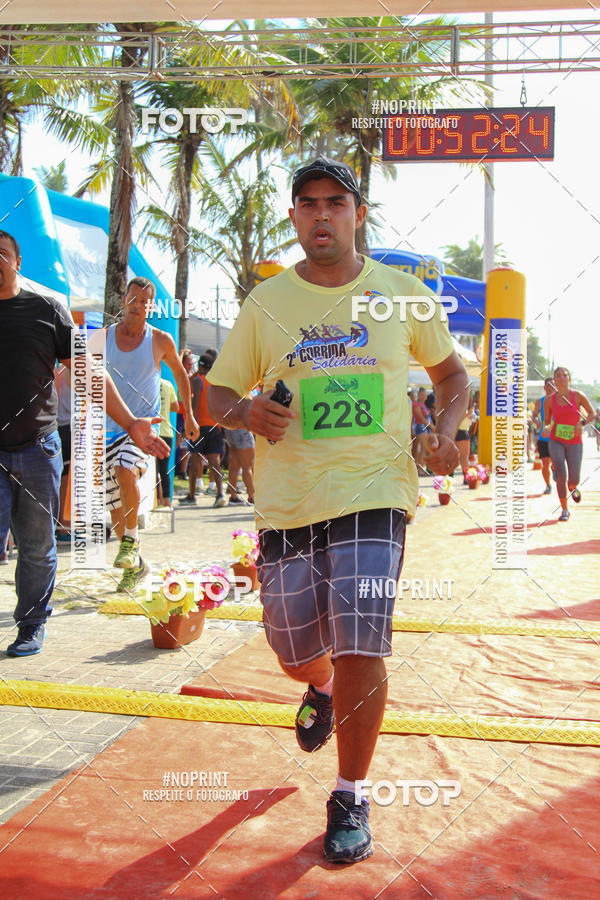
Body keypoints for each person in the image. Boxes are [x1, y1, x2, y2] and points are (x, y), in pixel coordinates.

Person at [206, 156, 469, 864]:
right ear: (295, 217)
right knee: (294, 651)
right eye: (308, 203)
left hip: (375, 492)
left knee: (362, 640)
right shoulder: (266, 304)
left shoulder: (403, 294)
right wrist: (245, 411)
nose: (322, 214)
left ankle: (350, 792)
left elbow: (452, 375)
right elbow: (213, 396)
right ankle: (319, 686)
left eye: (336, 202)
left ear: (358, 215)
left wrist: (444, 433)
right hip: (289, 502)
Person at [0, 231, 169, 656]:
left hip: (37, 449)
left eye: (1, 253)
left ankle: (31, 626)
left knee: (36, 546)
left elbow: (88, 370)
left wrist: (131, 423)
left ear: (17, 262)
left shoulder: (46, 310)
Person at [91, 278, 199, 592]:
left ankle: (132, 542)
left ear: (151, 307)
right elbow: (87, 377)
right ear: (123, 300)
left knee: (124, 470)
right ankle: (135, 565)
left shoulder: (160, 339)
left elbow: (181, 374)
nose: (137, 306)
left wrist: (189, 414)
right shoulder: (103, 338)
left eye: (144, 302)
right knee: (115, 505)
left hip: (143, 431)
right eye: (133, 299)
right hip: (107, 429)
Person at [543, 366, 594, 521]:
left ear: (569, 378)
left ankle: (572, 487)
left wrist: (581, 423)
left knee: (573, 479)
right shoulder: (549, 400)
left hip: (574, 442)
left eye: (564, 375)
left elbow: (592, 413)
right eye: (558, 375)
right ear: (555, 380)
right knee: (561, 475)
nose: (561, 377)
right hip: (556, 440)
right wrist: (547, 427)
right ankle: (564, 509)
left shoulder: (578, 396)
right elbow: (547, 422)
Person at [180, 354, 227, 507]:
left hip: (199, 426)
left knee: (195, 461)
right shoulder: (216, 382)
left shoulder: (198, 380)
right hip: (215, 426)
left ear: (200, 366)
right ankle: (220, 494)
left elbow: (194, 405)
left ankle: (191, 496)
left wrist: (189, 424)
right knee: (215, 462)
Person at [157, 377, 179, 507]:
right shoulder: (168, 384)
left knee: (153, 470)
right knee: (164, 469)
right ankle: (166, 502)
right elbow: (175, 407)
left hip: (152, 431)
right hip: (166, 431)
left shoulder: (147, 380)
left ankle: (156, 501)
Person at [532, 378, 556, 495]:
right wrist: (536, 421)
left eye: (552, 385)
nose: (550, 387)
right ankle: (548, 485)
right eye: (548, 385)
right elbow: (534, 415)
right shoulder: (539, 401)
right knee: (545, 463)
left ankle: (555, 468)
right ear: (544, 387)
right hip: (544, 437)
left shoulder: (560, 401)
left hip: (557, 437)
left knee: (555, 462)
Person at [224, 426, 255, 505]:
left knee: (233, 467)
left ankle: (233, 497)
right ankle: (251, 498)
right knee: (247, 467)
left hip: (229, 429)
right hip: (243, 429)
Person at [412, 387, 431, 474]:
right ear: (419, 395)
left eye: (424, 395)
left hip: (425, 427)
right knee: (424, 448)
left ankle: (419, 468)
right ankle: (420, 469)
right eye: (421, 394)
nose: (423, 396)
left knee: (424, 449)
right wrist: (432, 426)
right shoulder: (416, 404)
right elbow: (420, 417)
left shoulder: (424, 405)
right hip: (420, 427)